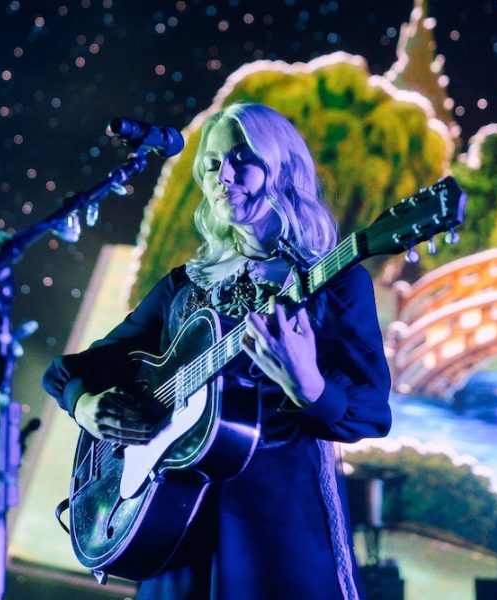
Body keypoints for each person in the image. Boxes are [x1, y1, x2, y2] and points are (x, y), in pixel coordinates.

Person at [43, 102, 391, 599]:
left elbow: (371, 413)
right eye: (211, 164)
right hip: (173, 531)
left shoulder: (334, 282)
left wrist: (308, 385)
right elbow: (71, 370)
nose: (224, 175)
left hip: (276, 533)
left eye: (242, 158)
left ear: (284, 168)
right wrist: (86, 406)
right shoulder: (185, 287)